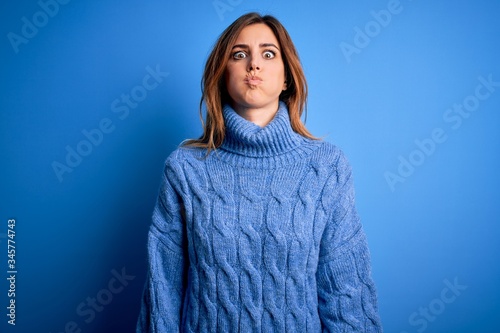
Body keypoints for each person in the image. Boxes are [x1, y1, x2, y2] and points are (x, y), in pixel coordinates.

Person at [136, 12, 382, 332]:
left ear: (286, 78)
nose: (254, 64)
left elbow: (346, 292)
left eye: (268, 54)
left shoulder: (326, 167)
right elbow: (163, 292)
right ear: (223, 74)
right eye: (239, 55)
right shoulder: (185, 170)